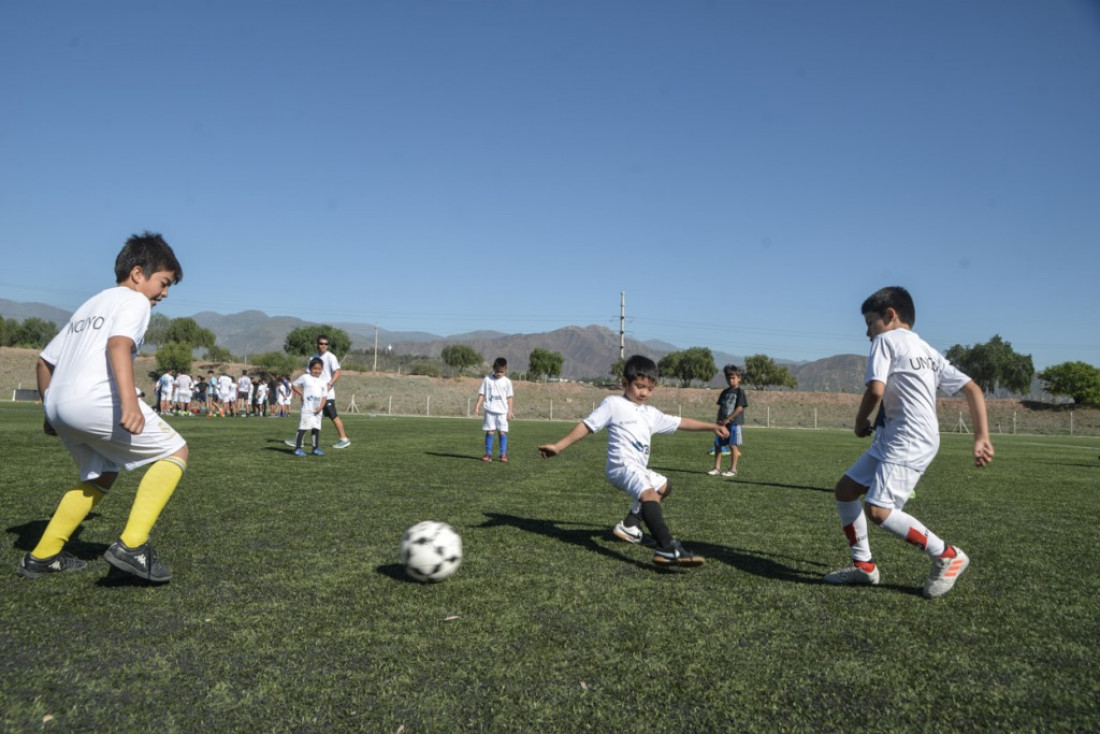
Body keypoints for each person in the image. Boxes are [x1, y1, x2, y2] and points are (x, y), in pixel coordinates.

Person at [17, 232, 187, 583]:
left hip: (61, 403)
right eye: (164, 283)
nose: (165, 293)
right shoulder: (134, 301)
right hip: (94, 399)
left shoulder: (91, 304)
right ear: (138, 273)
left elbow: (44, 361)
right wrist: (129, 402)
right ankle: (133, 545)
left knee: (102, 474)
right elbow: (119, 345)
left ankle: (43, 555)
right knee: (176, 452)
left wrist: (49, 410)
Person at [824, 286, 994, 599]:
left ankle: (947, 555)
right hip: (897, 437)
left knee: (879, 510)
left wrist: (860, 422)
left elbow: (876, 390)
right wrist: (981, 437)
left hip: (908, 438)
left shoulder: (885, 340)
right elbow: (974, 389)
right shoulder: (927, 350)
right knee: (845, 491)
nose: (867, 331)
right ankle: (863, 567)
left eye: (870, 322)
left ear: (890, 316)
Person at [538, 354, 728, 567]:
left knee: (664, 486)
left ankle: (630, 524)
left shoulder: (650, 413)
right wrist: (558, 447)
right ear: (624, 383)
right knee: (648, 493)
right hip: (621, 466)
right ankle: (667, 548)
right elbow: (587, 426)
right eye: (639, 386)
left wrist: (712, 426)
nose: (644, 393)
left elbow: (681, 422)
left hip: (637, 467)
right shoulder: (613, 404)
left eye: (650, 388)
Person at [284, 335, 350, 448]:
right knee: (307, 415)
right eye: (321, 343)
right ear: (317, 344)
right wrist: (303, 393)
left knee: (333, 415)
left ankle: (343, 439)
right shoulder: (312, 358)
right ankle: (299, 440)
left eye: (325, 344)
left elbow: (337, 372)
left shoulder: (330, 357)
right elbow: (308, 375)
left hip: (326, 394)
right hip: (313, 395)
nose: (323, 345)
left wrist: (329, 384)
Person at [708, 364, 747, 477]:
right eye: (728, 378)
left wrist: (729, 419)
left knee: (733, 445)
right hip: (722, 424)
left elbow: (740, 407)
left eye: (733, 378)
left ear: (739, 378)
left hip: (734, 424)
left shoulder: (740, 392)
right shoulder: (724, 392)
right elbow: (721, 407)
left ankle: (733, 469)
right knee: (718, 445)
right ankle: (717, 468)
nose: (731, 380)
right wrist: (717, 422)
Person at [474, 357, 514, 462]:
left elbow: (509, 398)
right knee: (490, 431)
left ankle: (503, 455)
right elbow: (482, 394)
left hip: (502, 412)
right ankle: (488, 454)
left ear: (505, 370)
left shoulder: (507, 382)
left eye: (502, 372)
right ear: (493, 368)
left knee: (502, 432)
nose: (499, 373)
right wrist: (477, 406)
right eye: (497, 371)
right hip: (490, 411)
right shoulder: (487, 379)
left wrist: (509, 411)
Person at [291, 358, 327, 457]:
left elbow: (324, 397)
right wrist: (301, 394)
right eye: (314, 368)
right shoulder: (305, 377)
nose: (317, 371)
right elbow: (294, 385)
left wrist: (320, 407)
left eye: (319, 369)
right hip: (307, 409)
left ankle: (315, 448)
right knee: (303, 428)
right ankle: (297, 448)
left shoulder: (323, 381)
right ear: (310, 368)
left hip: (317, 410)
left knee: (316, 429)